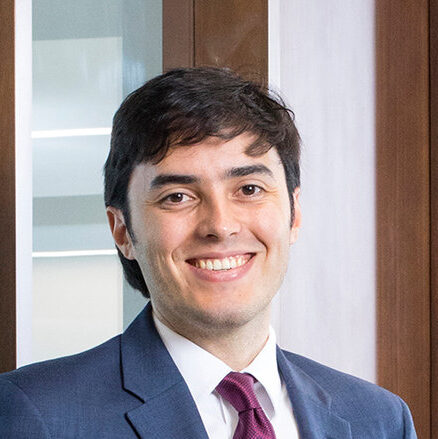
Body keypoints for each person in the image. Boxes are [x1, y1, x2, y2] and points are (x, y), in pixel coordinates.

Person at [0, 67, 416, 438]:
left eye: (249, 189)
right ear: (122, 230)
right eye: (178, 196)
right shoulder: (37, 414)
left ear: (294, 214)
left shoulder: (377, 419)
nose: (220, 225)